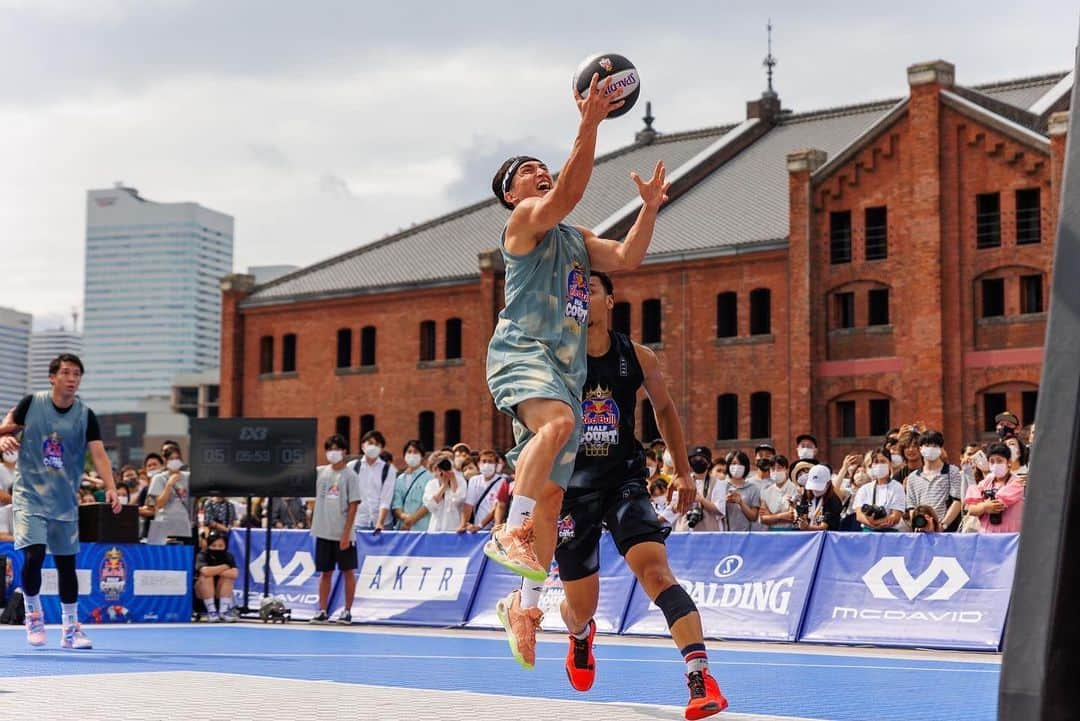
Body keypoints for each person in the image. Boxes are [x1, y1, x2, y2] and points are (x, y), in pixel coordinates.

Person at [483, 70, 670, 643]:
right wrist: (589, 122)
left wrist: (649, 209)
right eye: (526, 172)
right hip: (522, 349)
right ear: (513, 195)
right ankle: (510, 532)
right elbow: (569, 189)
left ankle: (524, 606)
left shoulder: (573, 238)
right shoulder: (523, 224)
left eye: (540, 165)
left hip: (560, 369)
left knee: (555, 495)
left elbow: (627, 258)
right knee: (563, 425)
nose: (537, 172)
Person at [552, 272, 726, 717]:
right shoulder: (557, 355)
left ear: (609, 300)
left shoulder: (637, 356)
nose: (582, 297)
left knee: (657, 574)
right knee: (580, 606)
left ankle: (700, 679)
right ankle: (579, 636)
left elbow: (664, 408)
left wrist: (683, 472)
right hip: (572, 491)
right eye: (575, 291)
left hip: (624, 482)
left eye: (589, 289)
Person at [0, 353, 121, 649]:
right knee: (35, 555)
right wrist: (2, 439)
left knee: (67, 565)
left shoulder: (85, 414)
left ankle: (70, 629)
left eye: (77, 374)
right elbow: (6, 429)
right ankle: (33, 613)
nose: (72, 378)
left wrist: (112, 488)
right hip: (29, 494)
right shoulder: (32, 404)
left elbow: (99, 454)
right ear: (53, 377)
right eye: (66, 373)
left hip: (65, 500)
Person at [309, 434, 361, 625]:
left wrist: (346, 533)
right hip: (323, 531)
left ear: (344, 452)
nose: (333, 453)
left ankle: (347, 611)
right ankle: (322, 610)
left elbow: (354, 505)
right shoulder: (321, 473)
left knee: (347, 571)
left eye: (337, 449)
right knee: (325, 572)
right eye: (330, 449)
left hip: (342, 533)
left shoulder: (350, 476)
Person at [905, 430, 963, 532]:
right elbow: (911, 507)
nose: (931, 449)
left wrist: (942, 525)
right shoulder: (912, 477)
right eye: (927, 445)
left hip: (947, 531)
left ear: (941, 449)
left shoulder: (952, 472)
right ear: (920, 448)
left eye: (935, 446)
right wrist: (919, 525)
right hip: (922, 531)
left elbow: (957, 501)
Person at [964, 443, 1025, 533]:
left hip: (1009, 538)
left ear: (1009, 462)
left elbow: (996, 505)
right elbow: (971, 509)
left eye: (999, 461)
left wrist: (981, 505)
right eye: (992, 461)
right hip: (986, 537)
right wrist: (984, 506)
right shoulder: (985, 483)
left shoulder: (1017, 483)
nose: (995, 464)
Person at [146, 445, 193, 545]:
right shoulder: (158, 478)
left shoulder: (188, 477)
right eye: (171, 459)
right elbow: (159, 504)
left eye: (177, 458)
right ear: (165, 461)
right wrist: (169, 484)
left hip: (184, 527)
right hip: (164, 528)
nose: (175, 461)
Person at [351, 430, 395, 533]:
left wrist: (380, 522)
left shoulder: (388, 469)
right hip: (359, 522)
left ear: (381, 449)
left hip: (383, 523)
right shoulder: (352, 467)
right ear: (363, 446)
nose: (373, 447)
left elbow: (386, 498)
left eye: (377, 444)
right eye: (370, 443)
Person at [853, 450, 906, 532]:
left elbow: (896, 516)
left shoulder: (897, 487)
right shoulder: (864, 489)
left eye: (883, 461)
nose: (879, 465)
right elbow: (859, 515)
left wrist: (876, 522)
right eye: (876, 462)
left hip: (889, 532)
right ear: (871, 466)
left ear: (890, 464)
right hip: (868, 531)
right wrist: (872, 524)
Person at [195, 530, 240, 622]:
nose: (217, 548)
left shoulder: (228, 556)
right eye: (214, 545)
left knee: (228, 577)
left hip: (220, 594)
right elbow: (205, 572)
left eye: (220, 546)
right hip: (201, 595)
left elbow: (234, 574)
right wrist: (225, 567)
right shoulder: (202, 555)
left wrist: (213, 571)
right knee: (206, 577)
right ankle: (211, 612)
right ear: (208, 545)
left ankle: (223, 611)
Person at [460, 449, 506, 533]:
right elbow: (468, 505)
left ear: (496, 465)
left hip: (494, 529)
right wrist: (463, 525)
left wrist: (480, 526)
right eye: (484, 461)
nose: (487, 464)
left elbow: (496, 508)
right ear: (478, 464)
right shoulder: (474, 480)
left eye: (490, 461)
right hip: (477, 529)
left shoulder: (502, 481)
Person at [391, 440, 432, 531]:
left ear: (422, 457)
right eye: (409, 452)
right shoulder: (400, 479)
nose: (412, 455)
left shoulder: (429, 477)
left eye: (415, 452)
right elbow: (396, 503)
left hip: (422, 527)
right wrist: (403, 516)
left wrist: (412, 520)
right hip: (403, 527)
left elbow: (429, 504)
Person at [423, 456, 467, 532]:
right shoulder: (431, 484)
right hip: (436, 527)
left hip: (454, 527)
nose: (442, 472)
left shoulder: (460, 481)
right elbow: (430, 505)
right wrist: (444, 485)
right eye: (438, 469)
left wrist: (453, 480)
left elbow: (458, 501)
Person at [795, 465, 843, 531]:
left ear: (828, 484)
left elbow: (823, 527)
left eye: (818, 487)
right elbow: (803, 513)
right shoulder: (807, 494)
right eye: (813, 487)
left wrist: (807, 528)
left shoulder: (833, 501)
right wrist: (801, 518)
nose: (815, 490)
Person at [722, 450, 760, 532]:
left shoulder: (753, 488)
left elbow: (754, 517)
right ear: (728, 466)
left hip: (745, 535)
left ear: (745, 467)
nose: (737, 467)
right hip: (724, 535)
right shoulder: (721, 486)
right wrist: (724, 501)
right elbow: (716, 512)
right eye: (734, 463)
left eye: (740, 464)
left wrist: (741, 503)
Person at [759, 455, 799, 531]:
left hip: (791, 531)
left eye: (779, 468)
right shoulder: (767, 491)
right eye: (773, 469)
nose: (776, 471)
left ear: (786, 469)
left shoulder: (794, 489)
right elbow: (763, 519)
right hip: (773, 532)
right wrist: (781, 516)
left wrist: (772, 516)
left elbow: (791, 517)